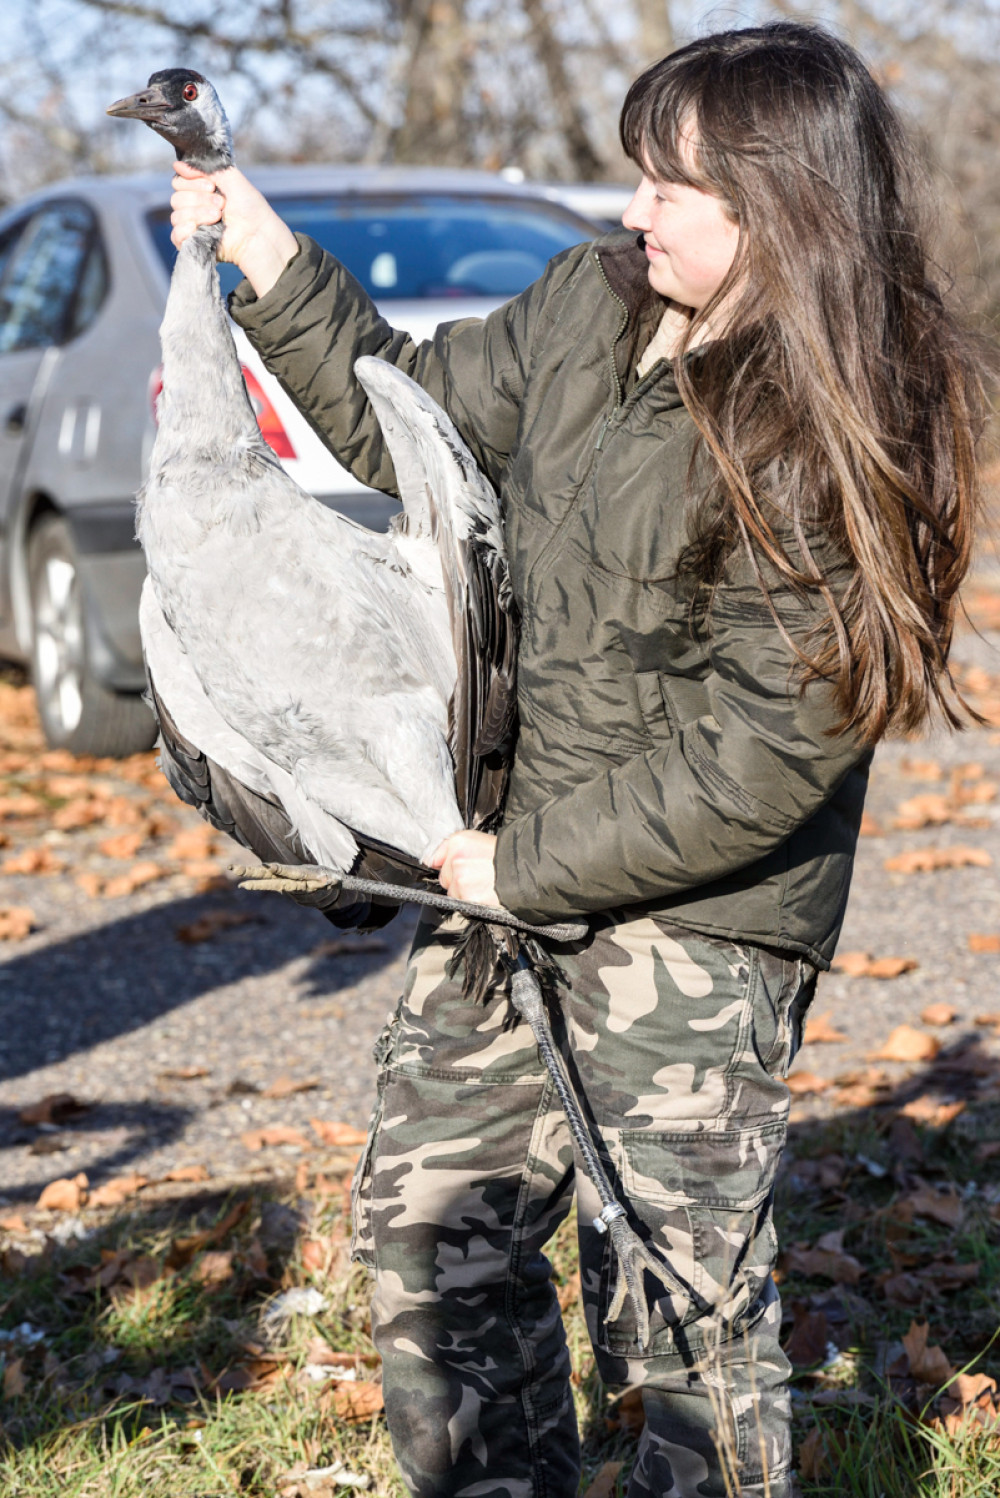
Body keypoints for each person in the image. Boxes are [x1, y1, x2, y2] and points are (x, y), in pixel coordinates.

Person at [170, 22, 982, 1497]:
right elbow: (402, 413)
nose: (632, 211)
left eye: (672, 188)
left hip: (694, 918)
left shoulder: (841, 416)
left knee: (681, 1309)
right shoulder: (588, 305)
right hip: (502, 864)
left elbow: (769, 752)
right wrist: (267, 254)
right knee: (432, 1235)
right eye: (635, 178)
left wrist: (526, 864)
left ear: (784, 206)